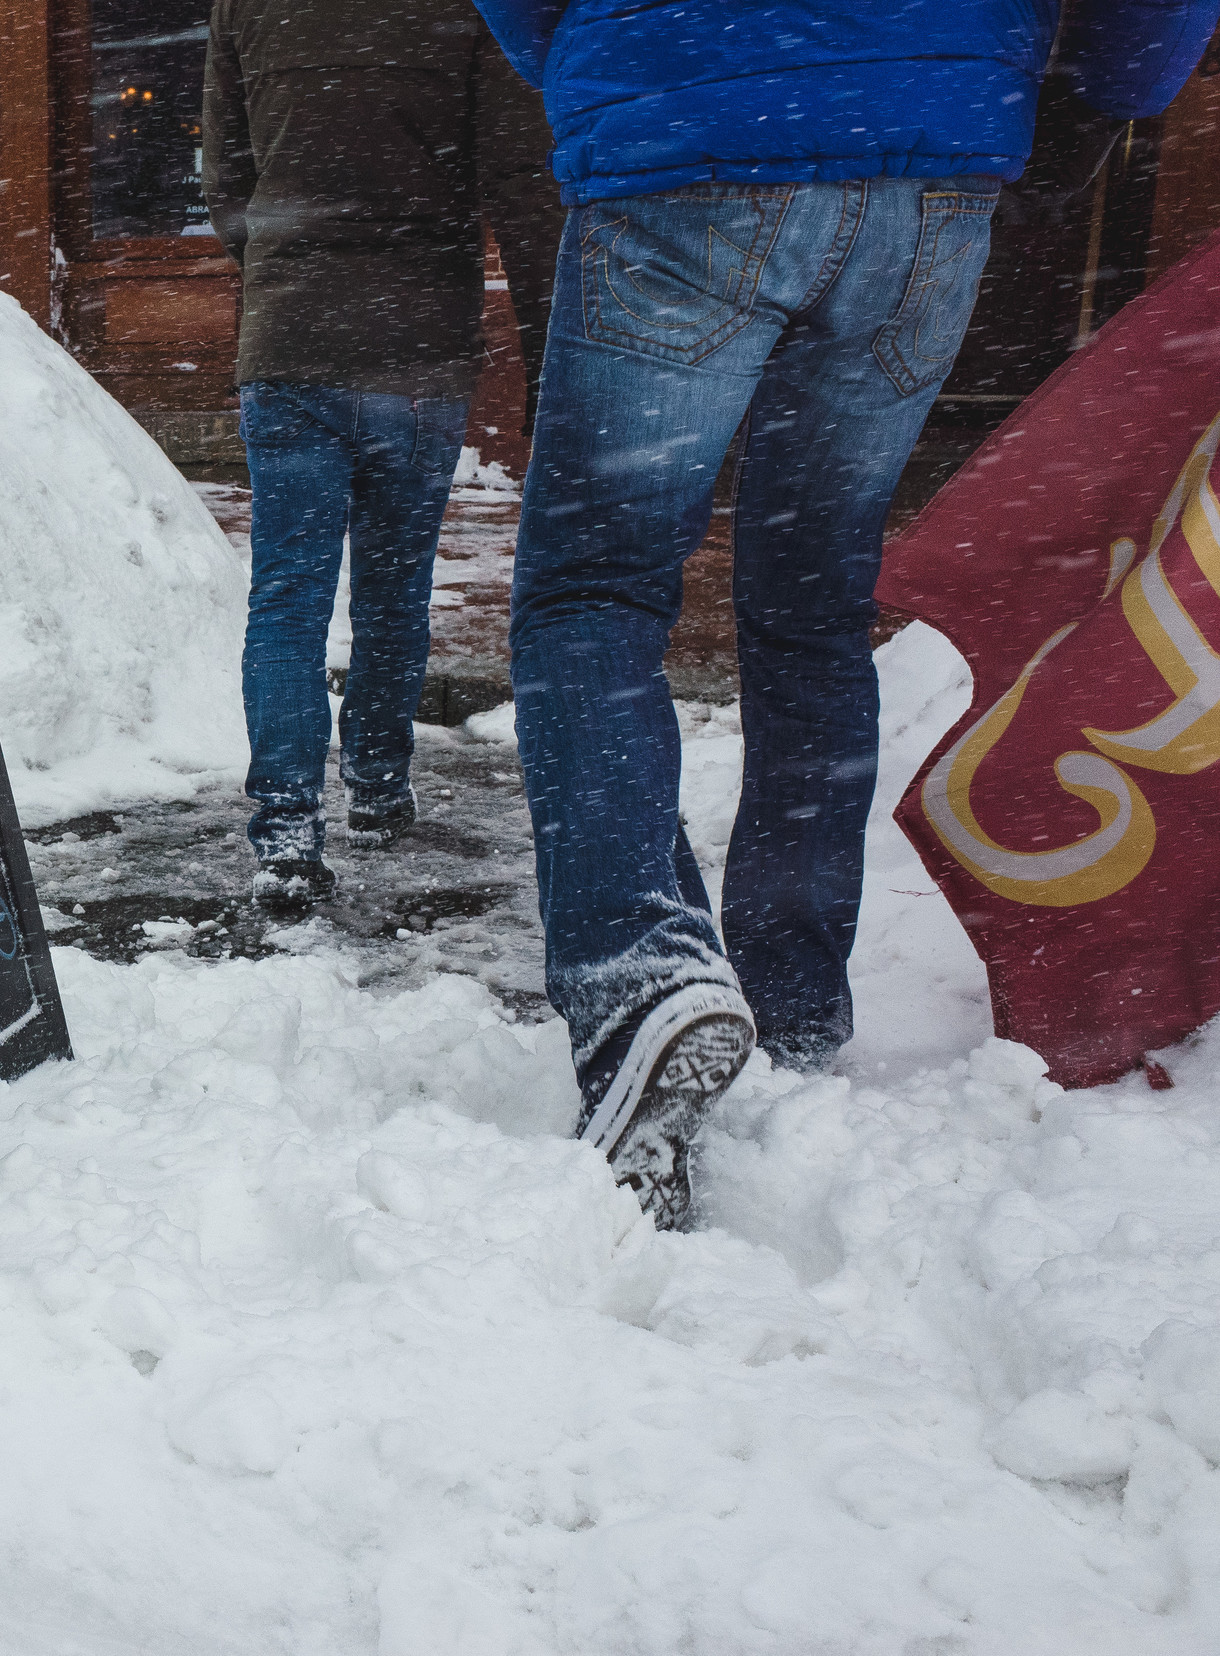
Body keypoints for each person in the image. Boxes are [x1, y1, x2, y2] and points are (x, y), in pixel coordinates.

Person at [469, 0, 1220, 1226]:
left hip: (685, 135)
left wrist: (610, 61)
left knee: (592, 594)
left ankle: (641, 976)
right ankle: (794, 1008)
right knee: (809, 599)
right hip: (926, 153)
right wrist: (1101, 89)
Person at [203, 0, 562, 909]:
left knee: (287, 597)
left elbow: (227, 175)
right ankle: (377, 785)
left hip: (289, 339)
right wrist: (550, 345)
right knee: (395, 590)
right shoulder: (468, 10)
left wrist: (285, 274)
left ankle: (286, 826)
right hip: (417, 345)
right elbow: (518, 178)